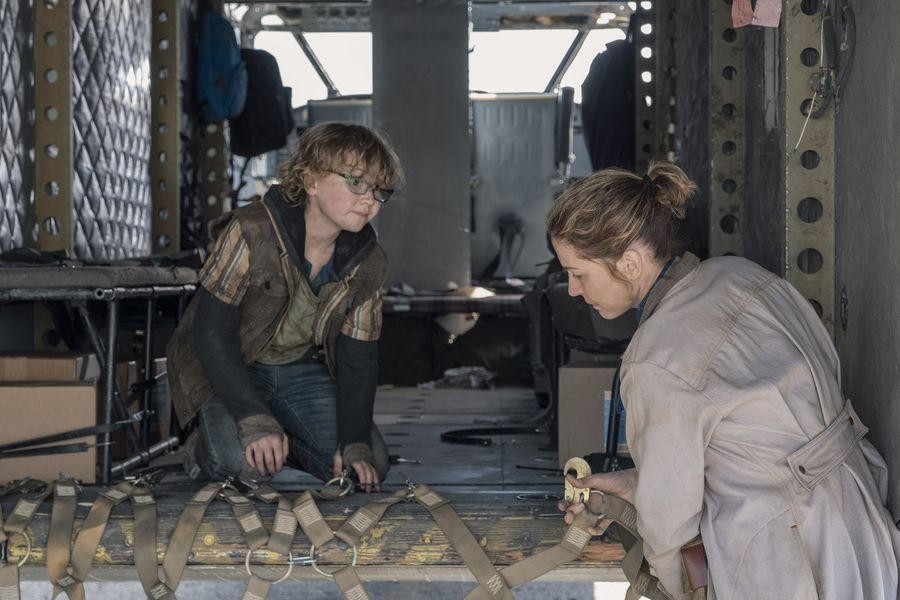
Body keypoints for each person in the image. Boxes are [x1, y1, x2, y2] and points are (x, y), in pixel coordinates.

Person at [549, 162, 900, 599]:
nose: (573, 290)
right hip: (860, 527)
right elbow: (759, 440)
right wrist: (637, 484)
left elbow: (669, 528)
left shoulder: (656, 360)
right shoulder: (742, 277)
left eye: (579, 273)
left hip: (785, 563)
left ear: (630, 263)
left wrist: (680, 589)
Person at [167, 122, 403, 492]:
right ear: (311, 181)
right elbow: (211, 333)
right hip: (235, 364)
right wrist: (252, 416)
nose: (369, 199)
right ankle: (203, 446)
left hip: (300, 371)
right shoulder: (251, 230)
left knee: (367, 466)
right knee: (240, 466)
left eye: (379, 189)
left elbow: (359, 358)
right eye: (356, 182)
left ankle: (279, 437)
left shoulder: (369, 262)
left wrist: (354, 440)